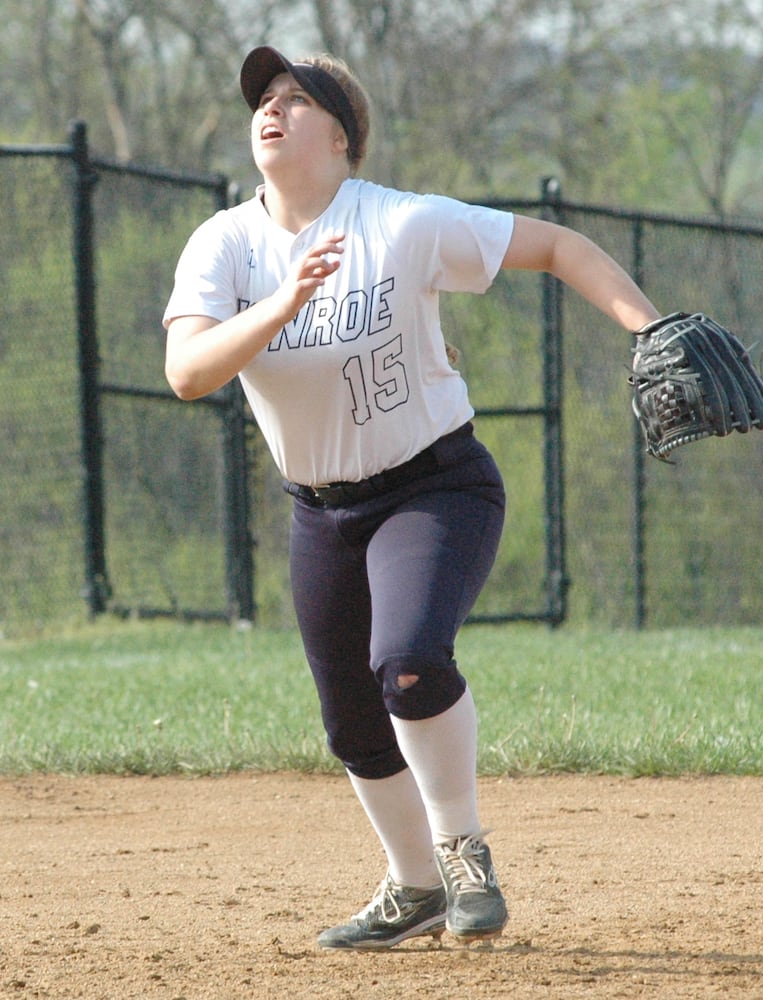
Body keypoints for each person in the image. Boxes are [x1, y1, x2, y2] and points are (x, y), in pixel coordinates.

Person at [163, 44, 660, 950]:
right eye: (262, 99)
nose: (270, 110)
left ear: (344, 138)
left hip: (433, 484)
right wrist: (279, 306)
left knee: (409, 661)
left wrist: (649, 327)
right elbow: (188, 372)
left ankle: (464, 852)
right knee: (352, 721)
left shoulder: (400, 224)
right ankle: (414, 888)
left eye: (296, 98)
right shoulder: (224, 244)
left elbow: (557, 246)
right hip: (320, 509)